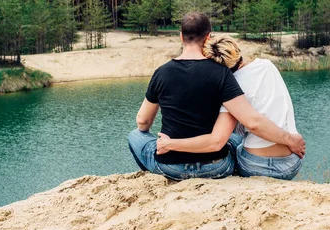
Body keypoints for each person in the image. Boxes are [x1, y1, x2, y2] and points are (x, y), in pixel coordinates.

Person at [128, 13, 305, 181]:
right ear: (208, 37)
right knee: (233, 139)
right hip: (217, 166)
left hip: (171, 164)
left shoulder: (161, 73)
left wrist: (168, 143)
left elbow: (142, 122)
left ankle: (158, 177)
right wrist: (290, 139)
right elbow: (228, 134)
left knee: (135, 135)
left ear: (181, 36)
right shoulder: (223, 74)